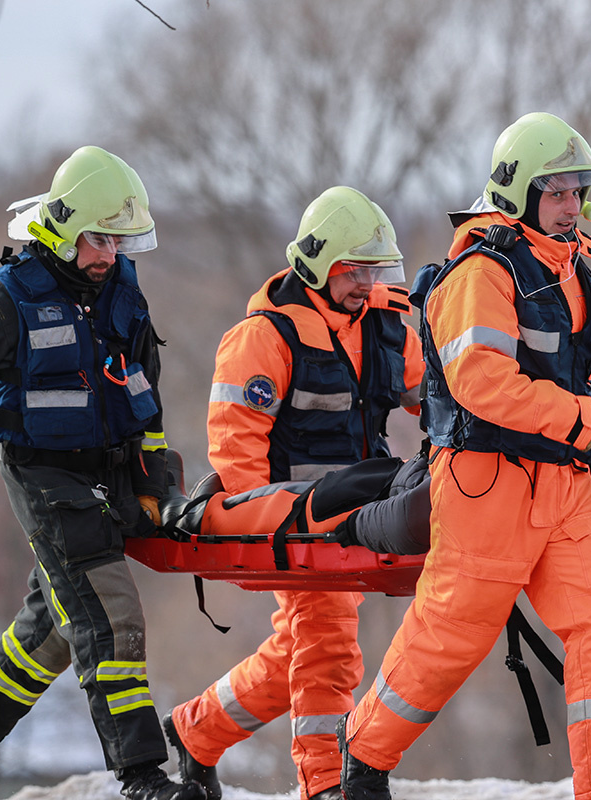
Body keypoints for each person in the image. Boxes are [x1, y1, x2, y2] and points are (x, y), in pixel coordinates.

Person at [337, 111, 591, 800]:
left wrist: (580, 427)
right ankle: (364, 751)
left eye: (577, 192)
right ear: (518, 193)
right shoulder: (481, 272)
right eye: (556, 191)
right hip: (485, 483)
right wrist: (583, 421)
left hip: (564, 480)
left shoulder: (571, 267)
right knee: (452, 636)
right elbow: (483, 384)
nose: (571, 205)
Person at [0, 146, 203, 800]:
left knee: (58, 627)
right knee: (110, 612)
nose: (111, 255)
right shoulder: (6, 299)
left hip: (112, 473)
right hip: (42, 474)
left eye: (121, 242)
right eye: (100, 239)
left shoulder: (122, 291)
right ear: (63, 229)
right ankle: (142, 774)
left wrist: (153, 483)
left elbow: (143, 394)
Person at [162, 186, 424, 800]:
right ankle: (326, 783)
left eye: (374, 271)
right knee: (328, 646)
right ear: (319, 263)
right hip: (294, 527)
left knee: (298, 650)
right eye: (354, 271)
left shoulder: (385, 327)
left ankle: (197, 731)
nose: (367, 284)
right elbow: (237, 452)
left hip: (360, 518)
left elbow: (434, 394)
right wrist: (270, 534)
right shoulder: (262, 338)